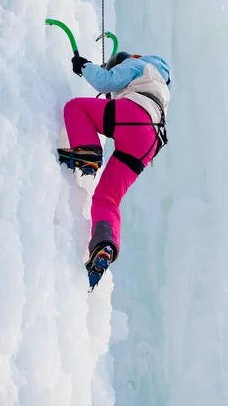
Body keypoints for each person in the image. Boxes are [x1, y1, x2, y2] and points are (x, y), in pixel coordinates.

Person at [58, 51, 172, 288]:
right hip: (149, 144)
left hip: (134, 118)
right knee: (107, 198)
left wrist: (84, 66)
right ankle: (104, 246)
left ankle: (87, 152)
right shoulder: (162, 89)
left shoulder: (138, 65)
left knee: (76, 107)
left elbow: (105, 81)